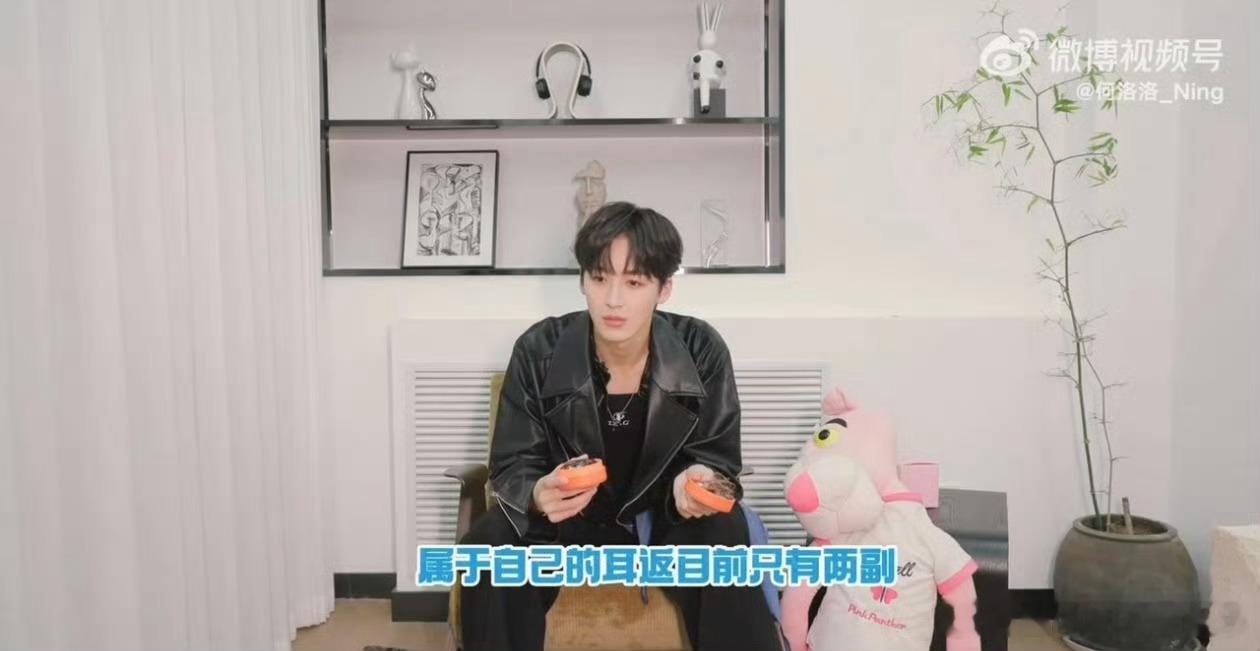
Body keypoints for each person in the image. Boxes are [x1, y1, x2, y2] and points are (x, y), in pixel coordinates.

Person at [458, 202, 782, 651]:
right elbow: (514, 462)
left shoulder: (700, 348)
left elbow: (716, 457)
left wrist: (697, 479)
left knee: (723, 532)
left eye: (634, 282)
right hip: (567, 521)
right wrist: (536, 492)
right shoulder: (537, 350)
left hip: (664, 517)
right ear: (582, 281)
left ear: (664, 288)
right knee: (489, 542)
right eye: (599, 278)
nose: (613, 299)